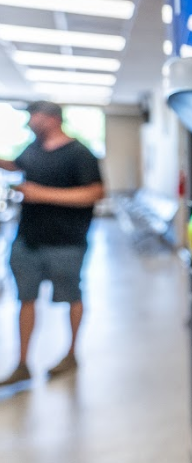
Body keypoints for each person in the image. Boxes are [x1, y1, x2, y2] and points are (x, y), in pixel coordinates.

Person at [0, 101, 105, 386]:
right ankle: (22, 362)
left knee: (70, 295)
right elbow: (16, 166)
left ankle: (71, 353)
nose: (29, 122)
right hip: (28, 238)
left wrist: (42, 194)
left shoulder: (80, 153)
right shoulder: (32, 149)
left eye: (33, 117)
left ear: (49, 118)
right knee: (25, 298)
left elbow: (95, 192)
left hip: (66, 241)